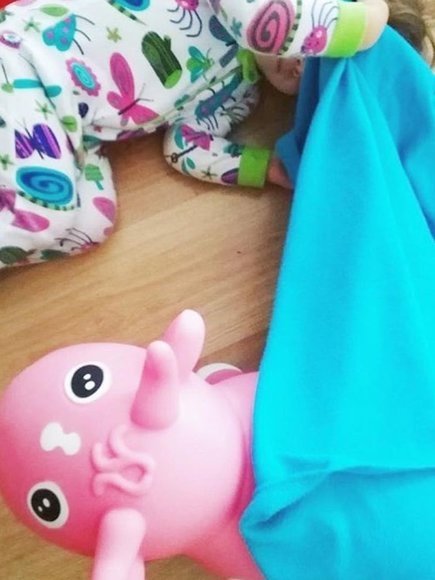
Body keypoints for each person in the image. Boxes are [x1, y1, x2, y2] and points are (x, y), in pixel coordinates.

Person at [0, 0, 388, 268]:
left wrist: (266, 167)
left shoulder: (240, 93)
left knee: (90, 225)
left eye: (317, 69)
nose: (303, 64)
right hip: (24, 59)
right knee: (46, 212)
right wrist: (370, 23)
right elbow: (266, 24)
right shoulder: (242, 11)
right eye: (315, 42)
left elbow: (184, 146)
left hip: (72, 129)